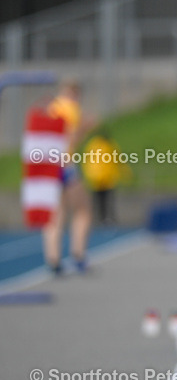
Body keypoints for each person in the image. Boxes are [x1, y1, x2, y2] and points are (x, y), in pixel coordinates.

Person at [42, 79, 94, 274]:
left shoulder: (51, 108)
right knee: (83, 211)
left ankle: (53, 258)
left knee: (56, 213)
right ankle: (78, 255)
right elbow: (70, 137)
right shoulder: (70, 107)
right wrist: (86, 126)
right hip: (65, 164)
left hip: (48, 164)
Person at [81, 128, 131, 225]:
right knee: (106, 199)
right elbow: (119, 160)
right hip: (105, 178)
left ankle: (102, 218)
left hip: (99, 178)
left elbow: (87, 162)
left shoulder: (92, 145)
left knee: (101, 200)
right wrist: (126, 173)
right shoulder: (108, 145)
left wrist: (88, 174)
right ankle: (107, 218)